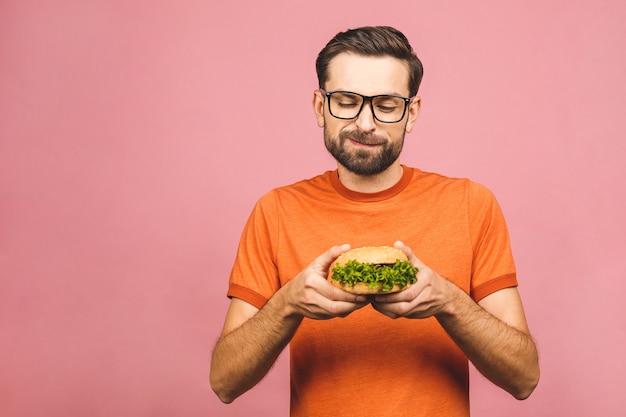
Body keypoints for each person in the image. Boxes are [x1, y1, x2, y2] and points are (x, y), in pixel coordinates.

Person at [210, 26, 539, 417]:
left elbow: (524, 378)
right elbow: (224, 383)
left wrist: (449, 301)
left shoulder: (471, 203)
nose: (365, 123)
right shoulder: (276, 210)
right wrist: (288, 303)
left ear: (411, 113)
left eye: (385, 105)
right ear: (319, 107)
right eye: (346, 101)